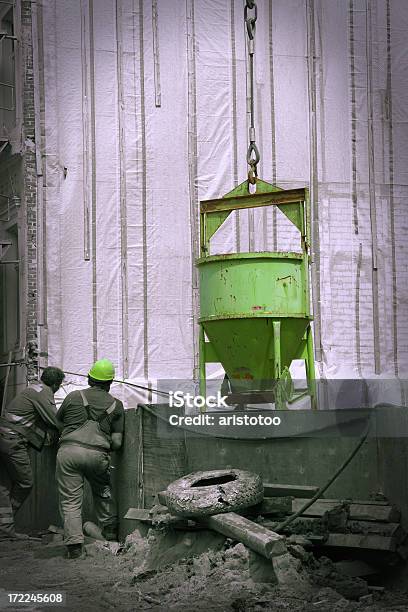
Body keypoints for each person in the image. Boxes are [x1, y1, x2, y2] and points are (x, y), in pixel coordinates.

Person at [56, 358, 124, 559]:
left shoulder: (73, 397)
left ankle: (75, 547)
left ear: (89, 379)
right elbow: (118, 443)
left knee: (70, 501)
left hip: (69, 453)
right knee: (103, 494)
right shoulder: (116, 405)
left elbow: (58, 424)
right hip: (97, 455)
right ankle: (110, 536)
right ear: (110, 383)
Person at [0, 366, 65, 539]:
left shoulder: (32, 388)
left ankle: (5, 528)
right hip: (12, 441)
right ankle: (5, 526)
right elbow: (55, 420)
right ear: (57, 384)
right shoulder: (44, 392)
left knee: (4, 486)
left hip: (4, 438)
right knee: (25, 482)